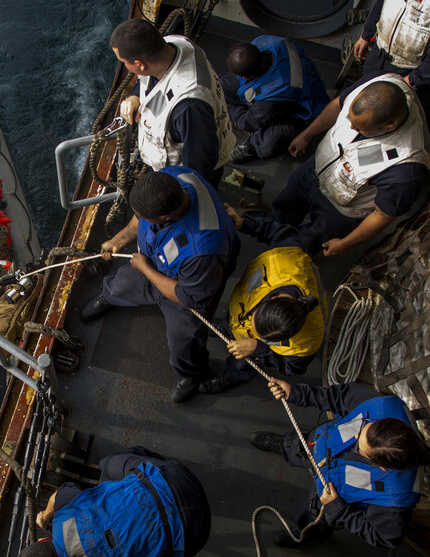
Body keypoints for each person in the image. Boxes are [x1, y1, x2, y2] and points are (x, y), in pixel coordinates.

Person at [80, 167, 240, 403]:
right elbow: (141, 216)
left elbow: (189, 297)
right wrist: (119, 240)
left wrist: (145, 269)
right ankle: (110, 295)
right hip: (153, 260)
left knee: (185, 341)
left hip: (191, 285)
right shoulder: (169, 180)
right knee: (121, 284)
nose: (139, 218)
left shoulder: (204, 248)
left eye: (145, 217)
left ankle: (191, 374)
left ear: (166, 217)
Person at [253, 379, 430, 548]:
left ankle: (305, 534)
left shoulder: (395, 499)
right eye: (363, 428)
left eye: (360, 449)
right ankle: (286, 447)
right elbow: (340, 395)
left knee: (314, 517)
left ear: (382, 467)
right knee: (296, 445)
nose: (355, 437)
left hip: (330, 496)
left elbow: (383, 537)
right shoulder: (382, 406)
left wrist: (338, 510)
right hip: (318, 445)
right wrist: (296, 393)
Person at [15, 446, 210, 557]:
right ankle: (159, 461)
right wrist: (46, 515)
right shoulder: (63, 515)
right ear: (42, 540)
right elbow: (62, 492)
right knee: (107, 463)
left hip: (197, 527)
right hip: (177, 478)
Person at [279, 72, 430, 256]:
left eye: (359, 128)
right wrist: (307, 135)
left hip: (339, 210)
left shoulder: (406, 166)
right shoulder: (379, 82)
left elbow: (382, 216)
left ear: (390, 125)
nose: (351, 128)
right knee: (284, 207)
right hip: (317, 167)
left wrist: (345, 243)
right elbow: (337, 105)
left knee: (300, 246)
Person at [201, 211, 326, 394]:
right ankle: (228, 328)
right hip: (241, 310)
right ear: (272, 299)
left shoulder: (305, 344)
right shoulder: (287, 258)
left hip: (256, 353)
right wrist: (245, 223)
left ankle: (236, 373)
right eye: (255, 318)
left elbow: (290, 368)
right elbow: (278, 231)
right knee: (233, 321)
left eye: (260, 335)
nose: (253, 333)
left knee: (244, 362)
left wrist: (258, 349)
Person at [111, 18, 235, 183]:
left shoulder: (189, 106)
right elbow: (148, 79)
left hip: (184, 174)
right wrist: (136, 96)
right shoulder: (173, 43)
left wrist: (185, 196)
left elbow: (199, 168)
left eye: (124, 63)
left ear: (139, 65)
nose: (125, 66)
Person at [219, 36, 330, 163]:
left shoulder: (275, 93)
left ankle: (254, 145)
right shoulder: (267, 42)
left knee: (267, 146)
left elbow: (248, 123)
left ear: (245, 76)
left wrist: (227, 107)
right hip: (294, 83)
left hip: (301, 109)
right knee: (221, 84)